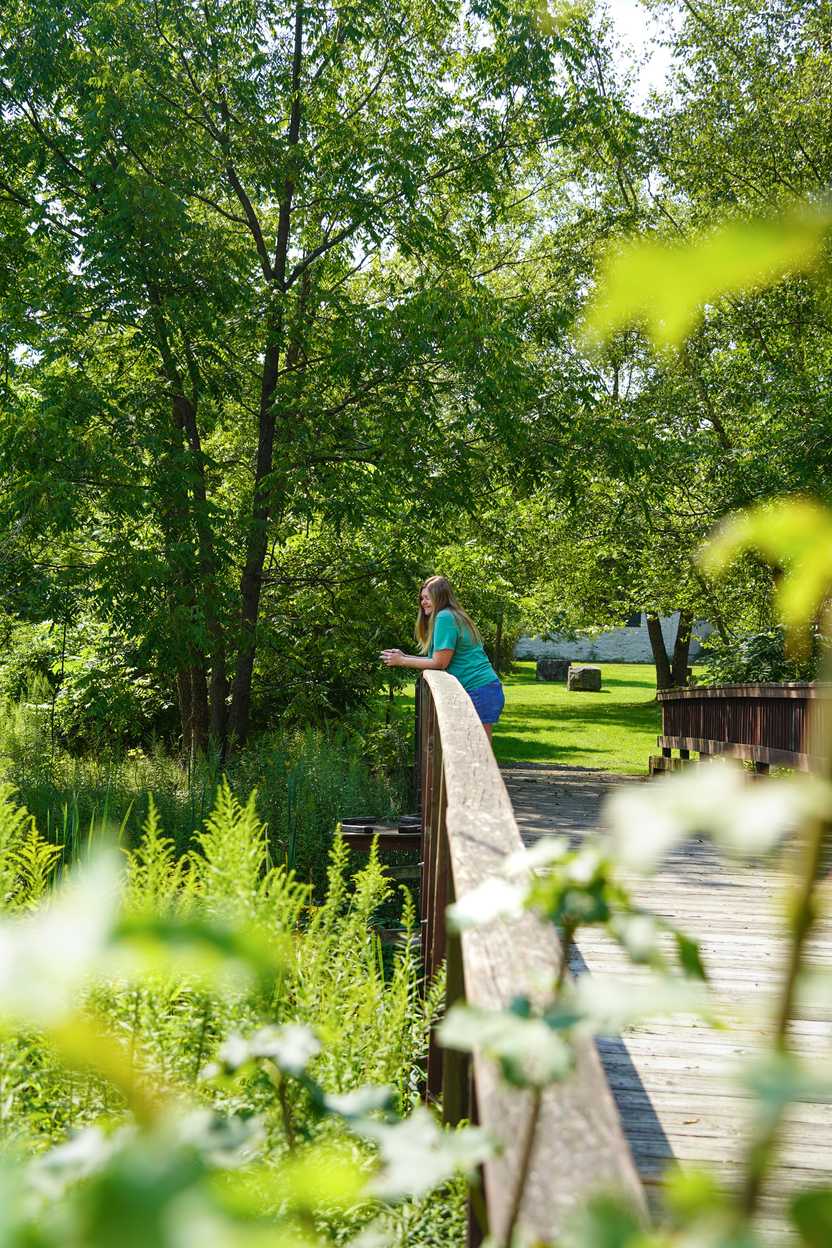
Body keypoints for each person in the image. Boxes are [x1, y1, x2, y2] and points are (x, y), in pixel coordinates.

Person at [380, 575, 505, 742]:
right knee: (473, 750)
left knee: (477, 752)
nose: (423, 602)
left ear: (440, 597)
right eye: (422, 598)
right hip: (483, 688)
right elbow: (437, 659)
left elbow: (439, 663)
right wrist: (404, 656)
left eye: (428, 598)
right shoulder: (453, 615)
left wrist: (402, 661)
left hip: (478, 689)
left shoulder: (444, 617)